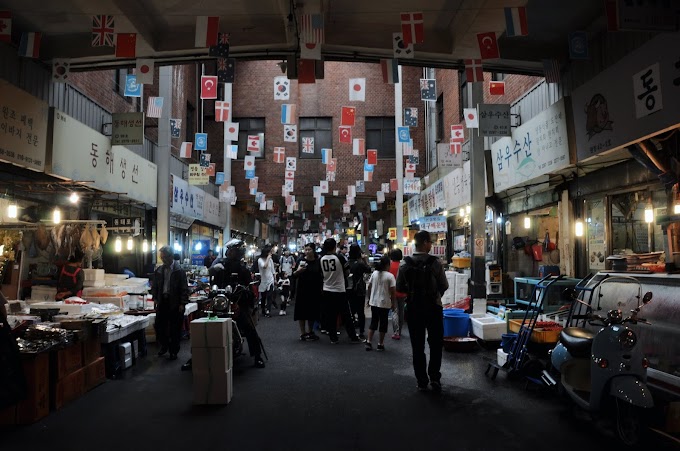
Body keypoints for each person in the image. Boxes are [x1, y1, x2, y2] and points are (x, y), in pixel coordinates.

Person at [396, 230, 449, 392]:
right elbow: (444, 285)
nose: (431, 245)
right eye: (430, 242)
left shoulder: (405, 264)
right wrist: (434, 296)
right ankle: (434, 378)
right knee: (435, 344)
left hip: (413, 309)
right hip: (433, 308)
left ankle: (421, 381)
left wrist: (412, 294)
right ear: (425, 243)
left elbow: (399, 287)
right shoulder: (435, 263)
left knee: (417, 346)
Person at [203, 239, 265, 369]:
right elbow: (209, 278)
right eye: (230, 250)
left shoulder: (243, 269)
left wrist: (245, 291)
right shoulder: (219, 264)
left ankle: (257, 355)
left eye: (234, 250)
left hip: (237, 302)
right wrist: (212, 270)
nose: (231, 252)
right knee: (203, 324)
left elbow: (249, 286)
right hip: (220, 301)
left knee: (249, 327)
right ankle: (196, 355)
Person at [319, 238, 362, 344]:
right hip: (339, 289)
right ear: (335, 247)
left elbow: (321, 274)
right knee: (346, 314)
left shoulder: (322, 259)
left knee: (331, 315)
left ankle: (333, 337)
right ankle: (353, 336)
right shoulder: (339, 257)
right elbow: (347, 272)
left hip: (327, 289)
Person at [151, 245, 189, 361]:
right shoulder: (159, 270)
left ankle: (173, 351)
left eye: (165, 257)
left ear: (171, 256)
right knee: (159, 326)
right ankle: (164, 345)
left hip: (175, 302)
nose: (163, 260)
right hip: (163, 301)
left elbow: (184, 288)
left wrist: (182, 303)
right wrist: (155, 298)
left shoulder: (179, 271)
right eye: (161, 257)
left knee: (175, 329)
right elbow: (155, 286)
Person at [364, 255, 396, 352]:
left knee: (373, 322)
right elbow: (393, 292)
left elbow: (369, 286)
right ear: (387, 265)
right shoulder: (390, 276)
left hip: (374, 302)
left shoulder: (374, 273)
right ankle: (380, 344)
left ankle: (369, 342)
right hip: (384, 303)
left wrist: (369, 298)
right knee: (383, 324)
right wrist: (393, 303)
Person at [292, 243, 323, 341]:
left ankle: (310, 331)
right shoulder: (301, 260)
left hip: (314, 289)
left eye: (309, 249)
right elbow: (293, 275)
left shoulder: (318, 261)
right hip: (302, 289)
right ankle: (303, 333)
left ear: (313, 250)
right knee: (301, 311)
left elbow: (321, 275)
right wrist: (299, 271)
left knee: (312, 311)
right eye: (306, 249)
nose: (307, 251)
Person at [347, 244, 371, 340]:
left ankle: (351, 331)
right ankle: (361, 331)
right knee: (361, 311)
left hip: (349, 289)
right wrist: (365, 260)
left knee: (351, 311)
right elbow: (369, 269)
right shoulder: (360, 264)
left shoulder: (347, 263)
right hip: (359, 289)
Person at [388, 248, 408, 340]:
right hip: (402, 292)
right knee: (401, 311)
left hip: (393, 292)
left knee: (395, 311)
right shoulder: (403, 266)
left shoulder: (389, 266)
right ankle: (400, 331)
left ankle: (396, 332)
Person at [258, 245, 277, 317]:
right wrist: (268, 258)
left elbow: (273, 270)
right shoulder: (260, 260)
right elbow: (264, 266)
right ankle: (263, 309)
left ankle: (268, 310)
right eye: (269, 252)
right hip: (263, 280)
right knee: (263, 296)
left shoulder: (271, 260)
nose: (271, 254)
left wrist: (275, 279)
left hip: (270, 279)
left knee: (269, 296)